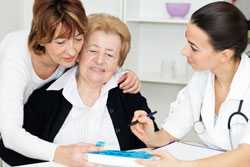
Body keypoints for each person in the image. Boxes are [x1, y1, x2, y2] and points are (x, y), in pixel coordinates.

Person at [0, 13, 158, 166]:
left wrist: (149, 135)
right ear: (79, 52)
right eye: (93, 51)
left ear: (119, 63)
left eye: (109, 55)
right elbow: (10, 152)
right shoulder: (46, 98)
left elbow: (155, 147)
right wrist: (58, 158)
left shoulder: (128, 94)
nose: (100, 60)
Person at [131, 1, 250, 167]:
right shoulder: (201, 80)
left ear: (225, 55)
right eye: (187, 42)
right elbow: (171, 132)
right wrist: (151, 136)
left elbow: (246, 155)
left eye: (193, 47)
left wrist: (181, 165)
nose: (184, 51)